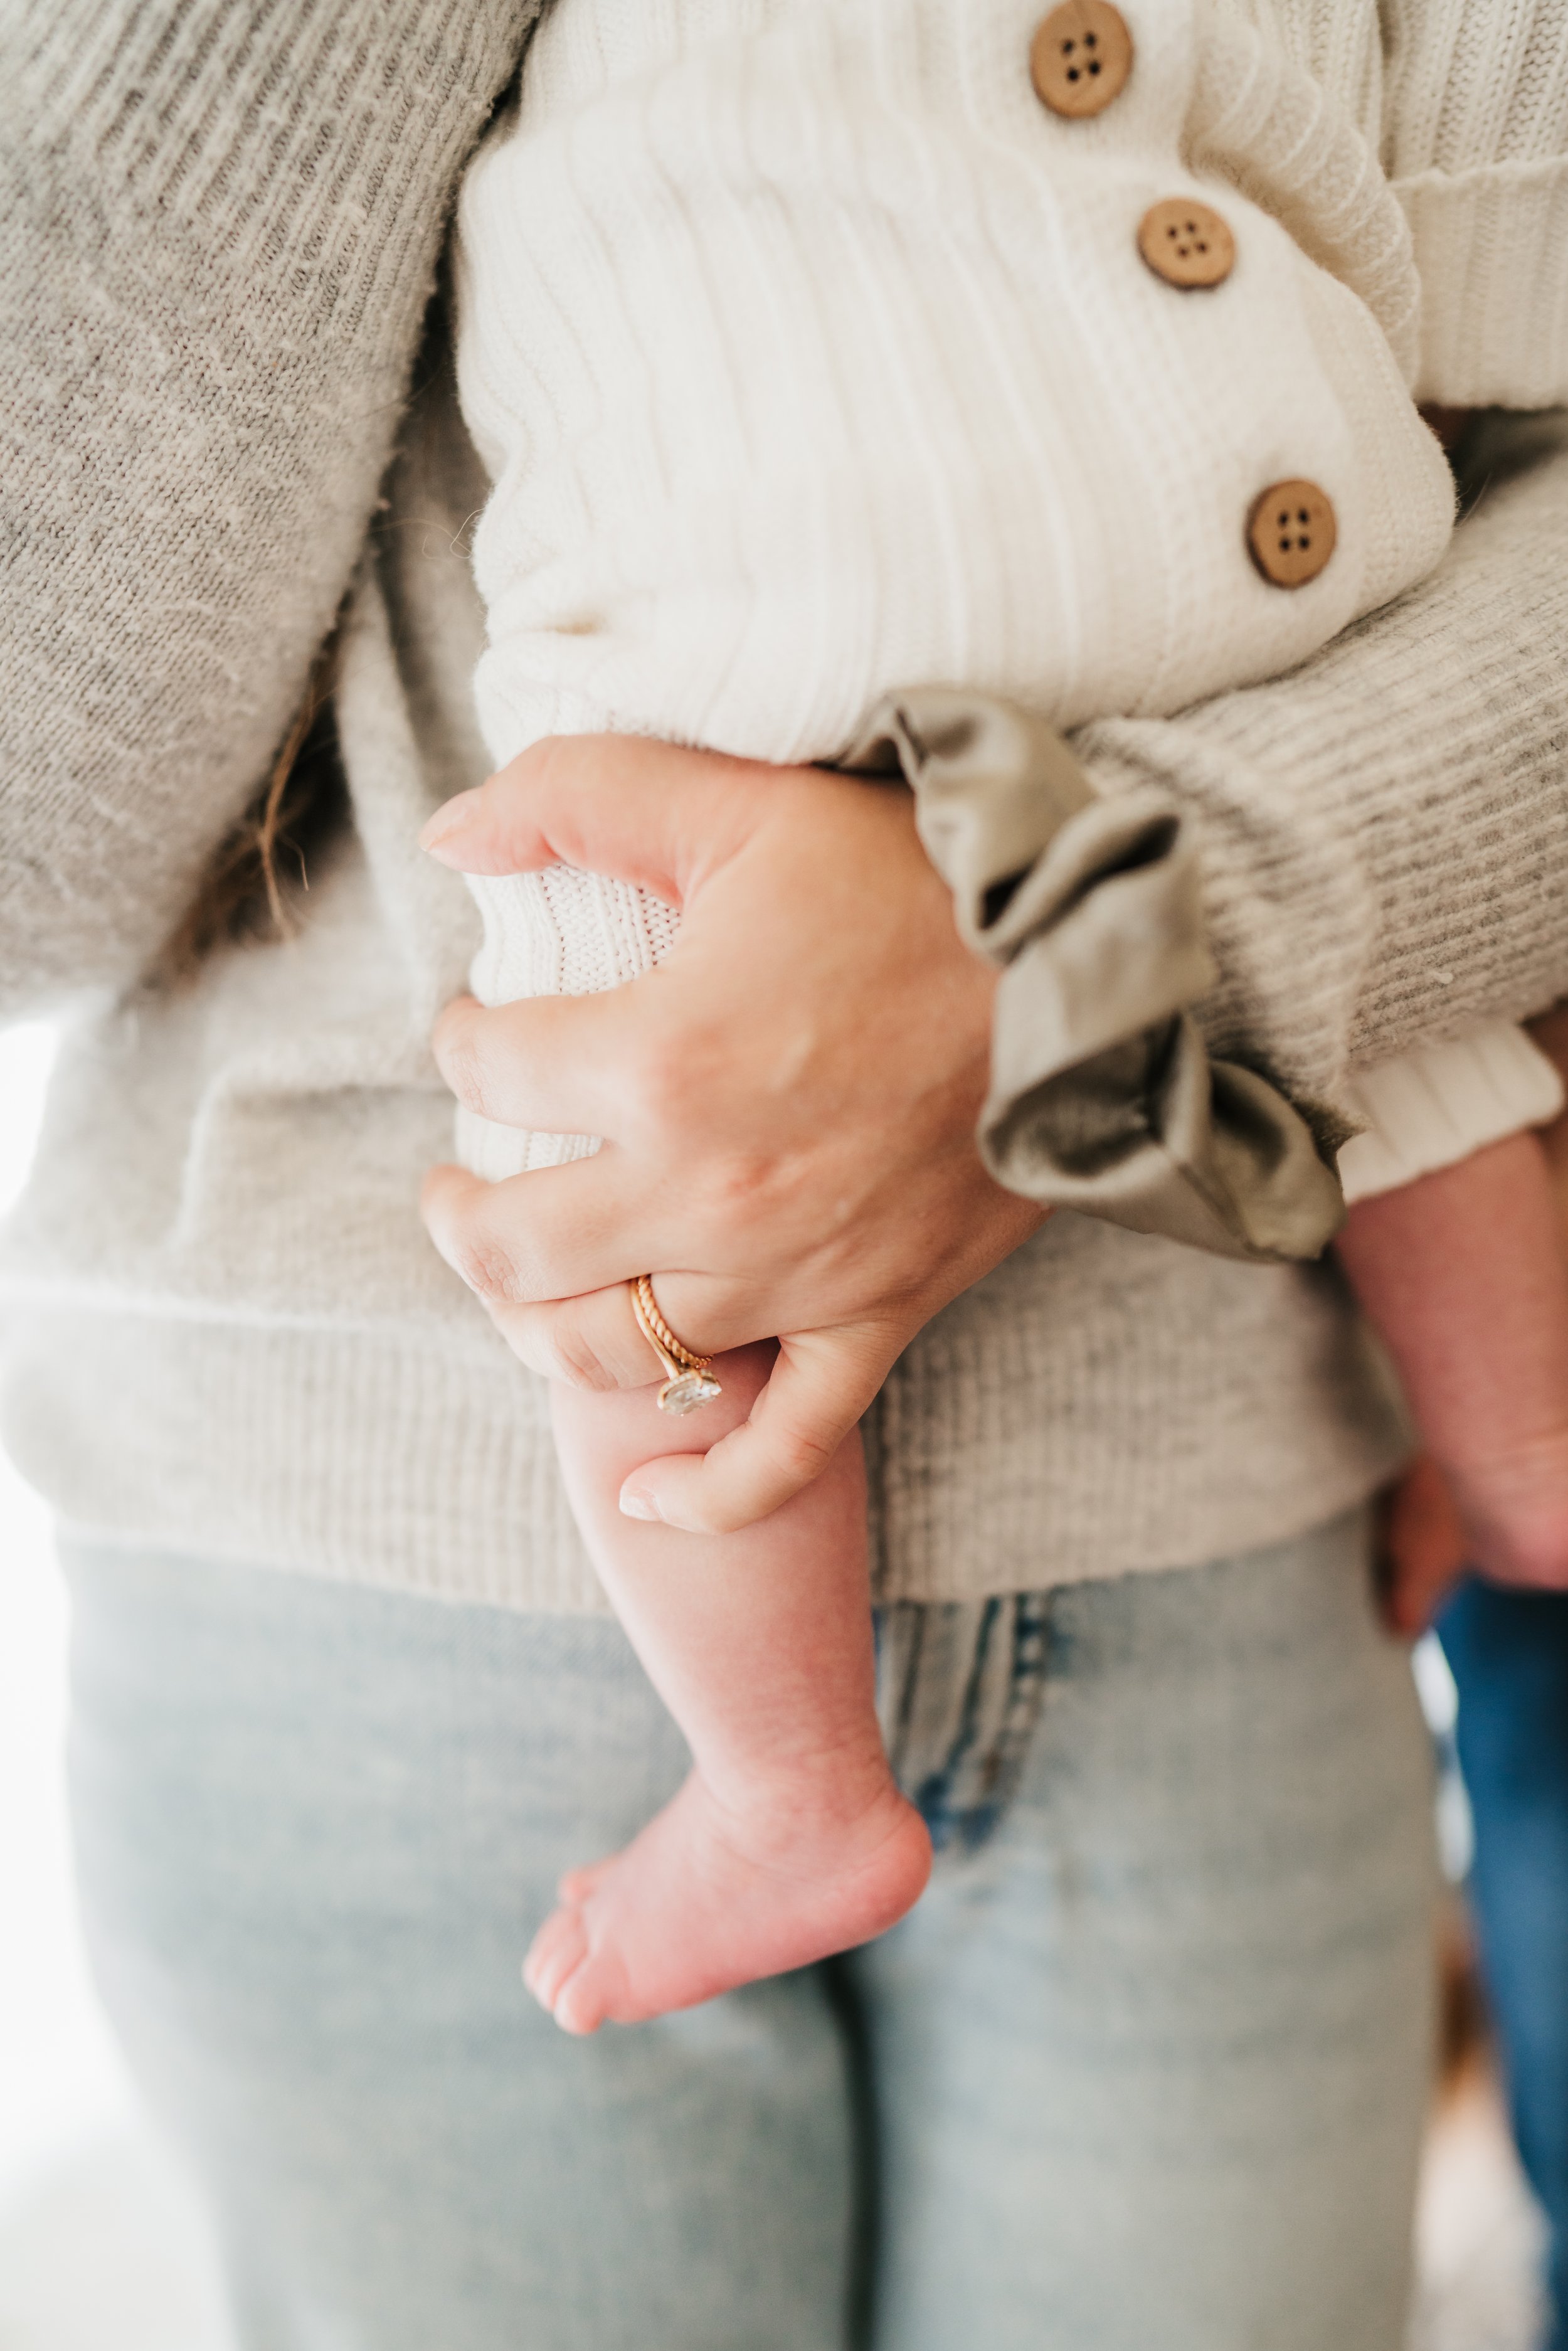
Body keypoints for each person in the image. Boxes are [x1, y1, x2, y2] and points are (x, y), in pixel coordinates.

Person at [6, 4, 1568, 2345]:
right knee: (597, 1027)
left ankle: (807, 1769)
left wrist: (1135, 932)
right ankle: (802, 1767)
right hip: (381, 1546)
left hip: (1234, 1460)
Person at [430, 2, 1568, 2037]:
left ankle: (787, 1787)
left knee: (603, 1166)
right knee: (1396, 1010)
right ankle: (1525, 1443)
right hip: (1247, 493)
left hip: (748, 597)